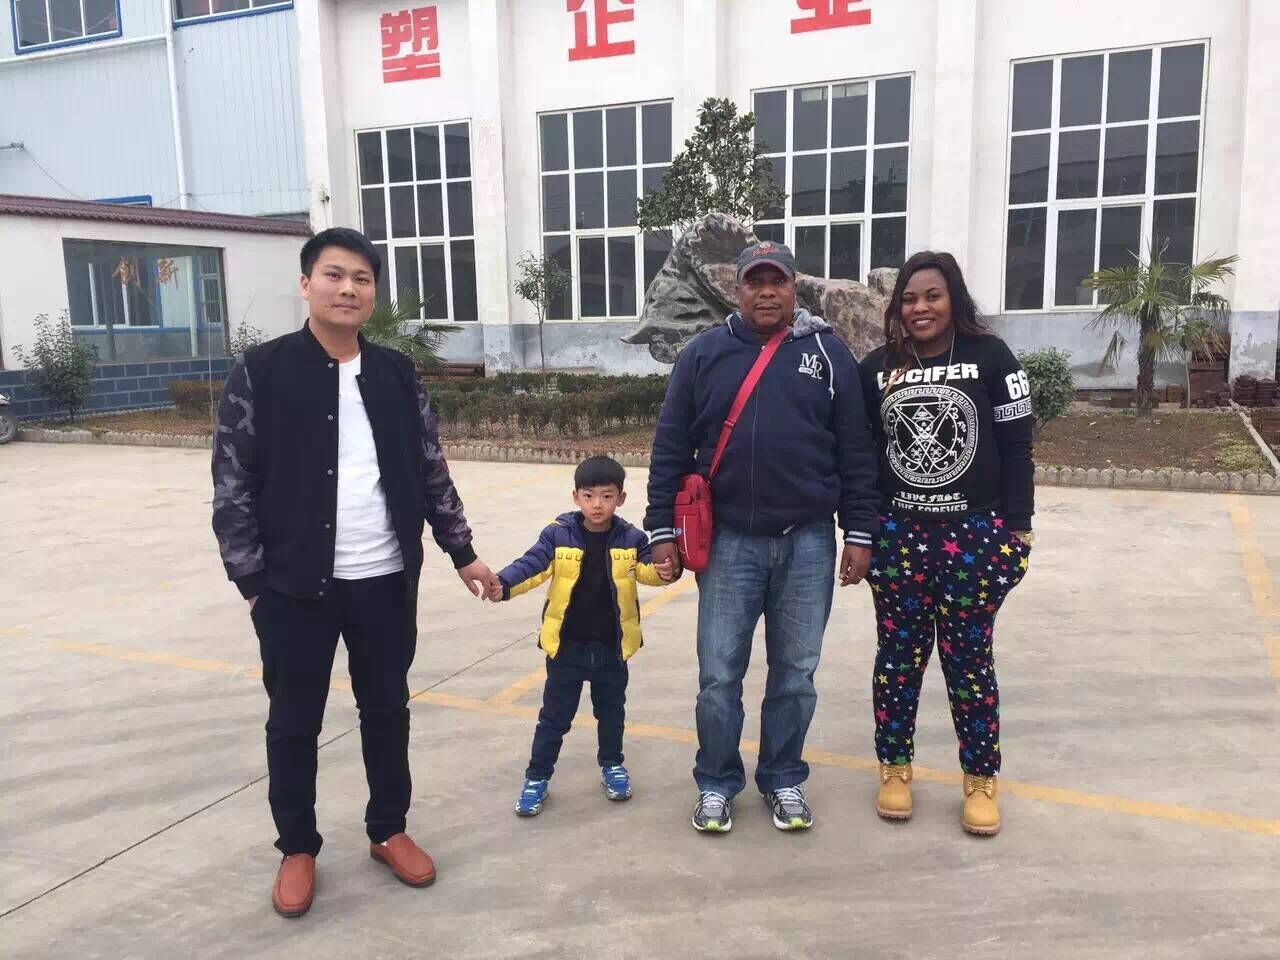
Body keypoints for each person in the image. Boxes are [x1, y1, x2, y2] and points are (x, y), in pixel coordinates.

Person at [212, 227, 501, 918]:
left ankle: (388, 829)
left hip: (385, 579)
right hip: (292, 587)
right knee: (293, 722)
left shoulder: (396, 372)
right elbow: (231, 481)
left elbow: (430, 469)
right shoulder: (262, 370)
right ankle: (297, 847)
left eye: (362, 279)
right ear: (306, 284)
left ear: (373, 292)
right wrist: (251, 583)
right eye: (334, 275)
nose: (348, 289)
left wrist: (461, 551)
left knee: (387, 711)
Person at [646, 240, 880, 834]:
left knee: (796, 674)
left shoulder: (828, 353)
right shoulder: (703, 354)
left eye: (778, 281)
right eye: (756, 281)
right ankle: (716, 782)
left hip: (808, 543)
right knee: (718, 675)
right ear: (738, 289)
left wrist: (859, 533)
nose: (767, 292)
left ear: (794, 287)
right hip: (728, 545)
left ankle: (783, 778)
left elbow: (856, 451)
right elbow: (670, 447)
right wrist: (661, 530)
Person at [857, 250, 1035, 836]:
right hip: (899, 539)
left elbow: (1017, 448)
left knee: (970, 664)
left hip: (975, 537)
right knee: (897, 662)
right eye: (909, 298)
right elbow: (861, 455)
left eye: (932, 295)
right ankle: (894, 769)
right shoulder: (876, 369)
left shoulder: (992, 357)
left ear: (953, 298)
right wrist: (863, 528)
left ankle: (980, 780)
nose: (920, 308)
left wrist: (1018, 530)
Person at [488, 456, 674, 816]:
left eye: (606, 496)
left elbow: (648, 572)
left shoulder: (632, 538)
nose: (597, 505)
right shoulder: (558, 535)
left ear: (621, 498)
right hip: (566, 650)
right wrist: (504, 584)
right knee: (554, 719)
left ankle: (612, 765)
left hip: (611, 649)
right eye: (589, 496)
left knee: (611, 714)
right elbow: (533, 565)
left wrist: (666, 570)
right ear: (576, 497)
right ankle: (537, 777)